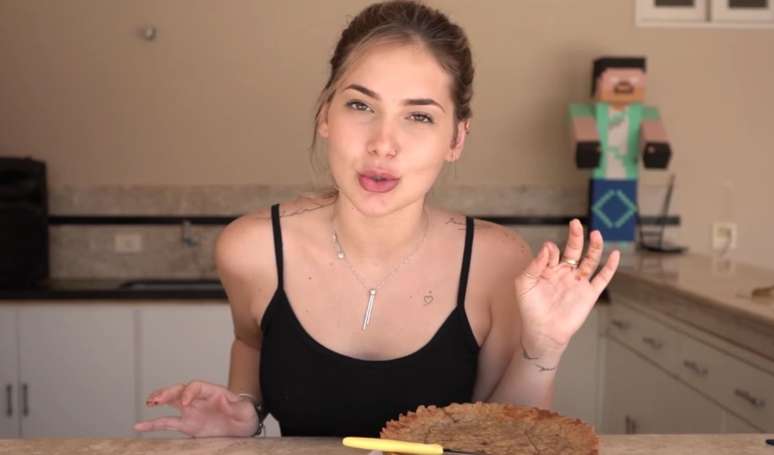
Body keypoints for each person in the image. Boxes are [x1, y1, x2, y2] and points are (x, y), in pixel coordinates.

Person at [133, 0, 620, 438]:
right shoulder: (251, 249)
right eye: (360, 105)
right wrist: (245, 410)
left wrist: (542, 350)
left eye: (419, 116)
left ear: (456, 139)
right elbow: (252, 345)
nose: (383, 144)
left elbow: (503, 437)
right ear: (326, 115)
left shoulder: (497, 262)